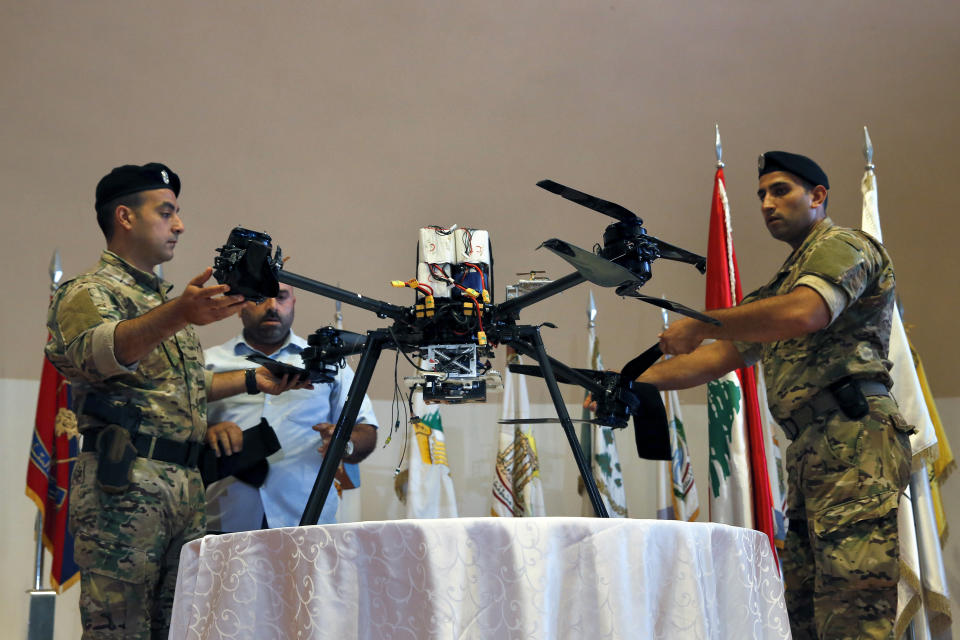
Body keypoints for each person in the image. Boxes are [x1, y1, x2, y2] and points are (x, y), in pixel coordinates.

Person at [634, 151, 912, 640]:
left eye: (780, 190)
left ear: (818, 196)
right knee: (804, 613)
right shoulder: (780, 287)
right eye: (761, 194)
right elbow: (718, 358)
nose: (767, 203)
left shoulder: (844, 246)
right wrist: (631, 383)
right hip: (811, 450)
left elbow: (807, 312)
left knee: (852, 613)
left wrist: (702, 322)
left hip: (855, 438)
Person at [45, 162, 307, 639]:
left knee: (182, 626)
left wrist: (255, 380)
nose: (180, 225)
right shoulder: (88, 292)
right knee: (119, 630)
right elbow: (99, 353)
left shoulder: (165, 302)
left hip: (185, 488)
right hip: (125, 490)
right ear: (125, 217)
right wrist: (178, 314)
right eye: (166, 213)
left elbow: (183, 386)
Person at [204, 281, 378, 530]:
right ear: (240, 305)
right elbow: (173, 427)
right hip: (225, 519)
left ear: (293, 302)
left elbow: (366, 431)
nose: (272, 306)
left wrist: (343, 442)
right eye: (260, 298)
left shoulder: (328, 363)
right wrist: (206, 431)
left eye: (281, 297)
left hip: (305, 522)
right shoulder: (209, 363)